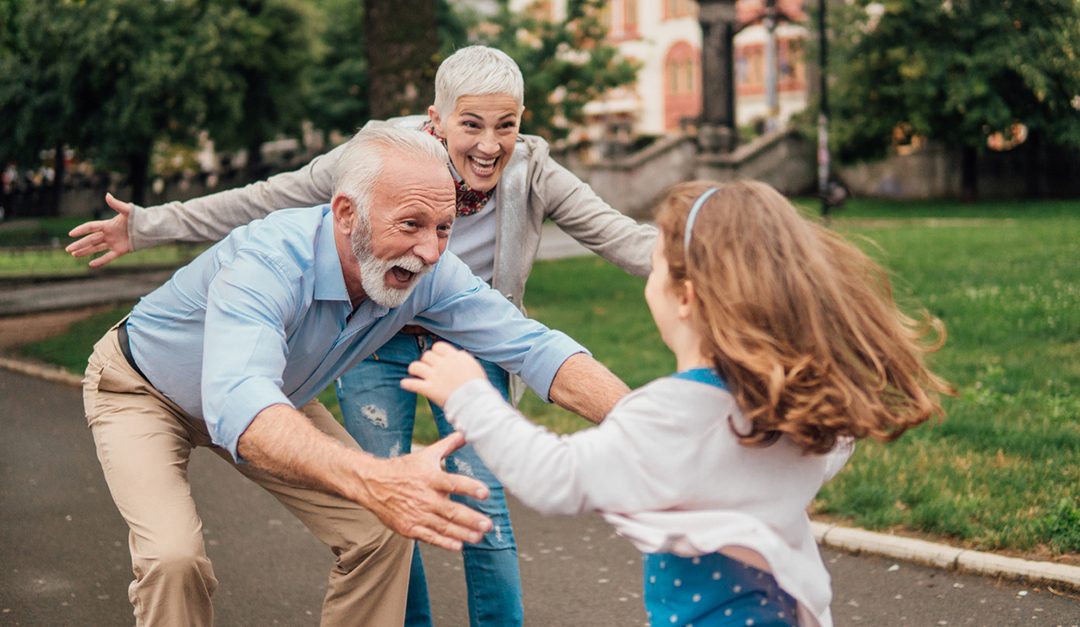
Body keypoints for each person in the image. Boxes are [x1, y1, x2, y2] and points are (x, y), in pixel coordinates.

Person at [66, 45, 656, 626]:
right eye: (410, 225)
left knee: (383, 530)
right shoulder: (270, 261)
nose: (430, 251)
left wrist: (645, 423)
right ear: (346, 213)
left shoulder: (432, 267)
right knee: (174, 558)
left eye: (445, 228)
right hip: (145, 390)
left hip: (272, 398)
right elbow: (239, 400)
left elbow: (534, 346)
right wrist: (377, 478)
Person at [401, 180, 954, 627]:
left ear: (685, 297)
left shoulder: (671, 415)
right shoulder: (801, 408)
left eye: (656, 264)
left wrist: (470, 394)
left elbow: (554, 477)